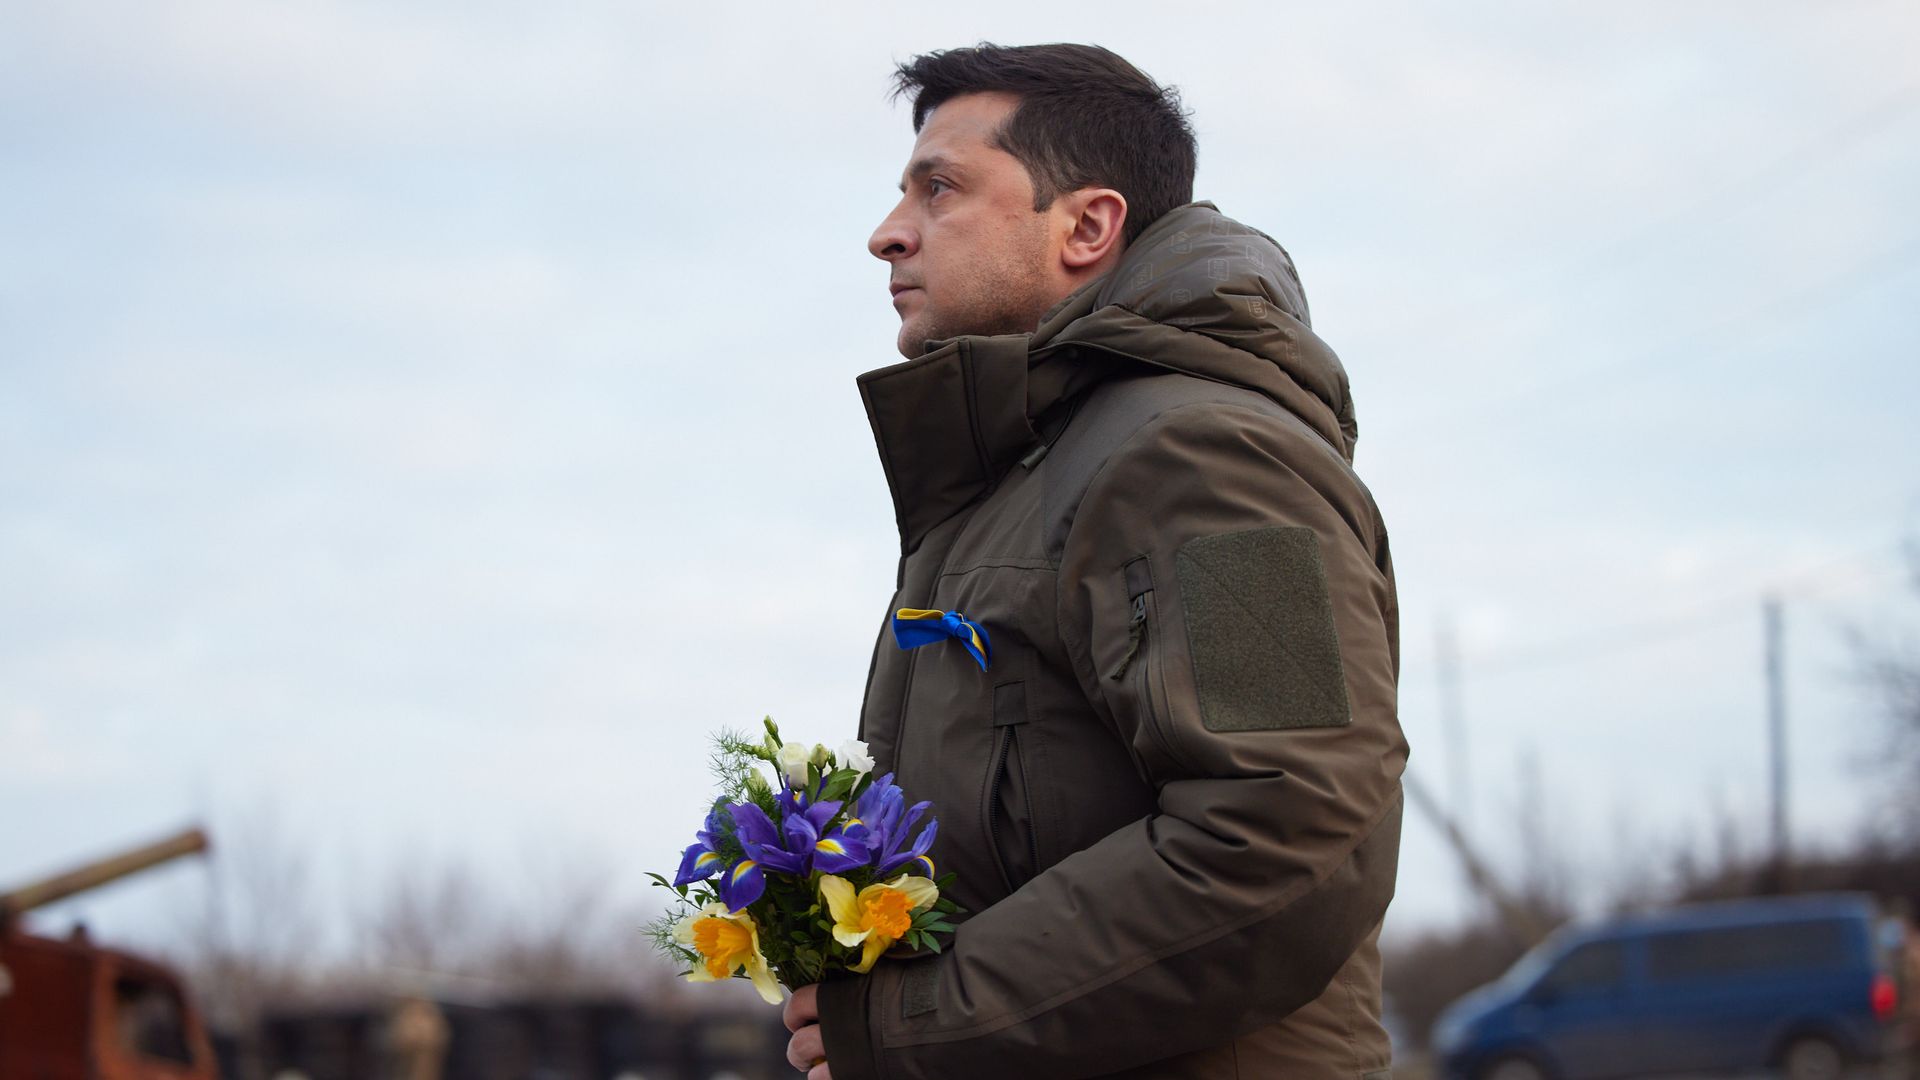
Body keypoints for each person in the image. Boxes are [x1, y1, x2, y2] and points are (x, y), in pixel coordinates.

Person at [782, 43, 1406, 1079]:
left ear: (1087, 226)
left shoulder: (1205, 457)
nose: (888, 233)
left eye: (940, 189)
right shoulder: (1018, 475)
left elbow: (1289, 829)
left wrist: (915, 1024)